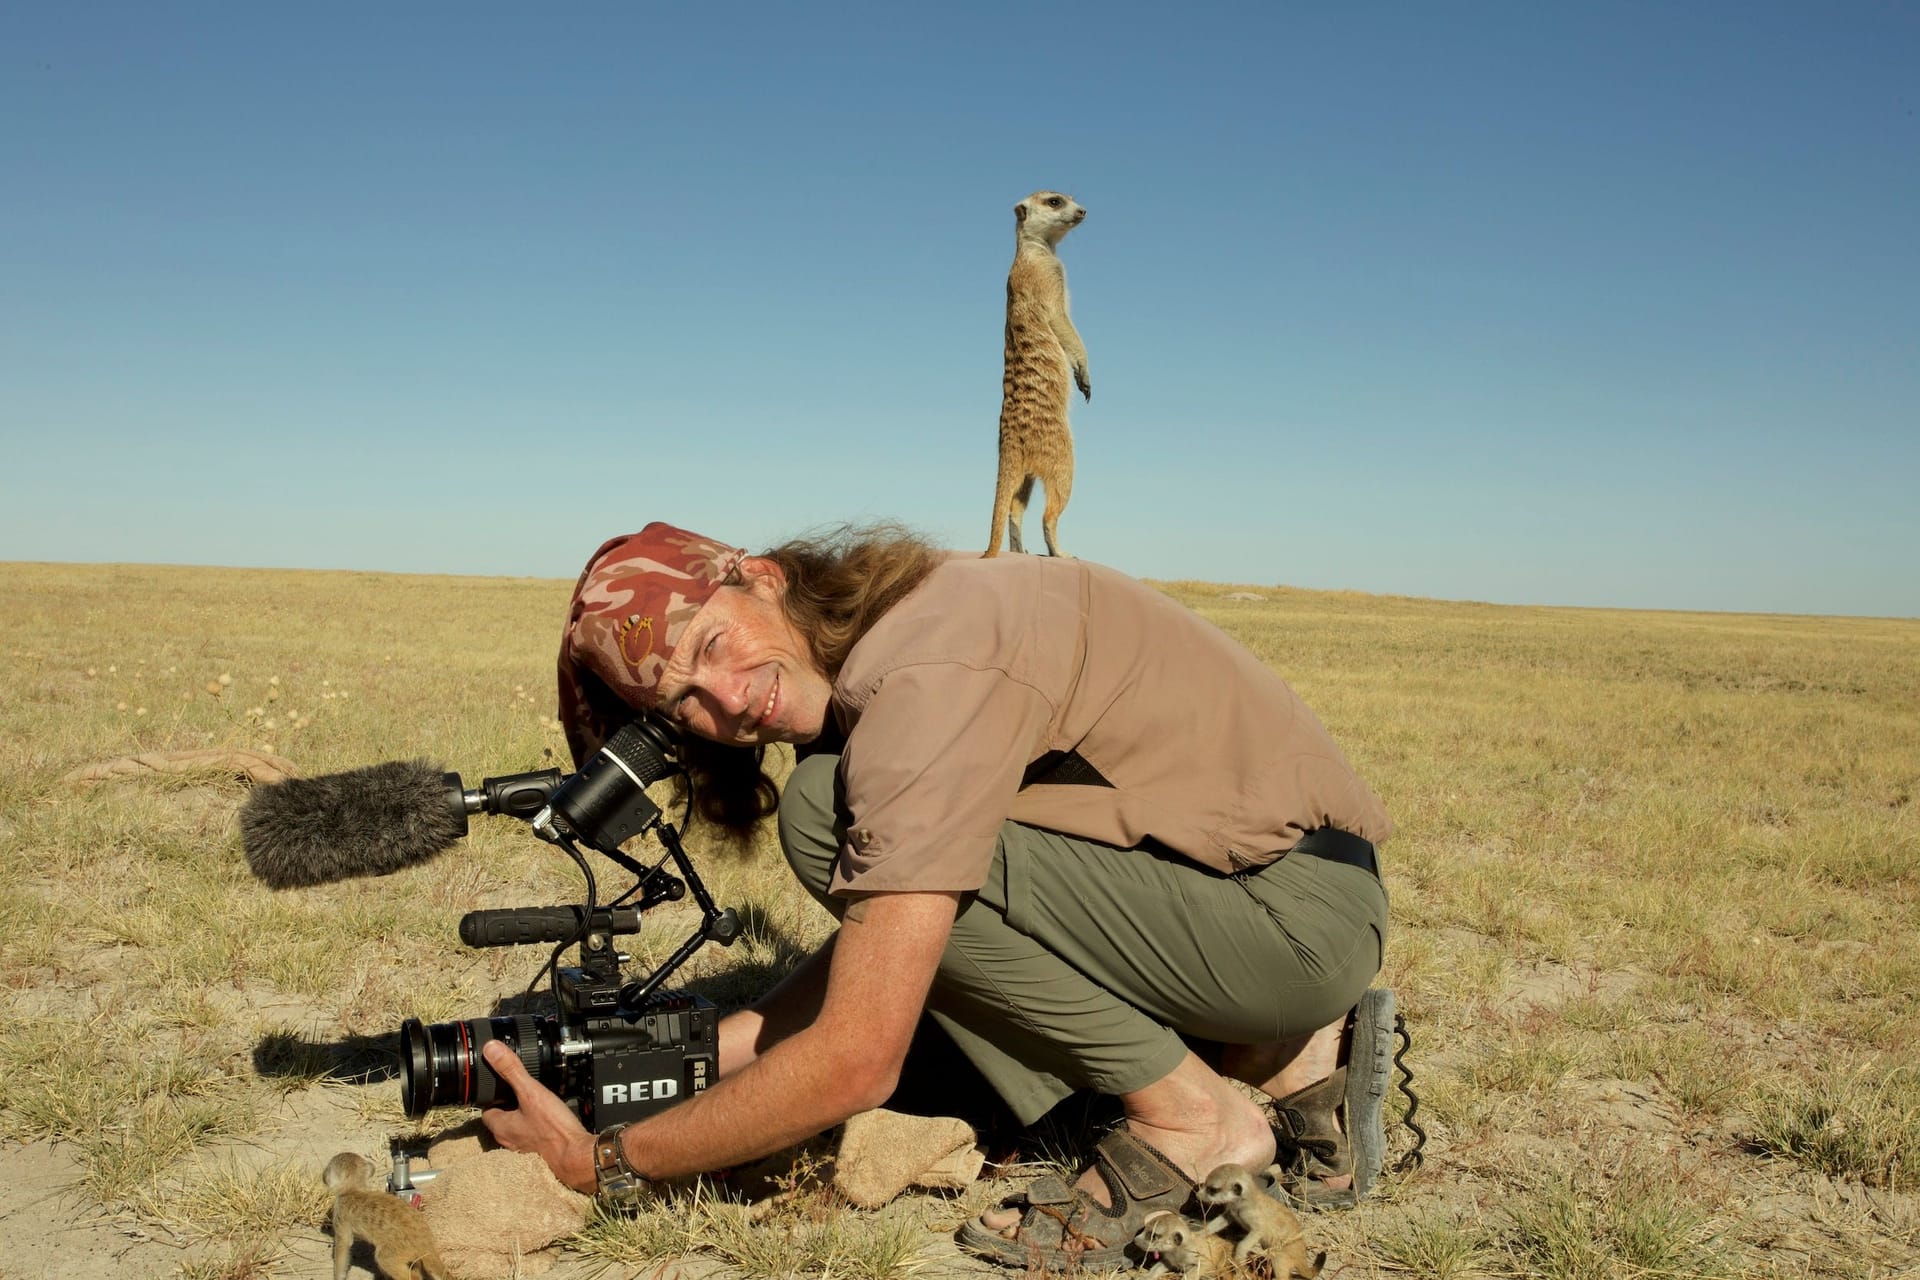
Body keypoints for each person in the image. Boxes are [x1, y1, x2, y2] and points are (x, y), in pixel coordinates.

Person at [479, 520, 1396, 1269]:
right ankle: (1283, 1053)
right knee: (861, 849)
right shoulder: (913, 619)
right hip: (1270, 893)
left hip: (1287, 922)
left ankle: (1197, 1116)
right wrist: (698, 1055)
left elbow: (857, 1057)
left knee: (818, 812)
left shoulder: (920, 674)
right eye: (685, 704)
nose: (728, 700)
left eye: (713, 643)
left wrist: (605, 1166)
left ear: (759, 577)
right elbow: (909, 933)